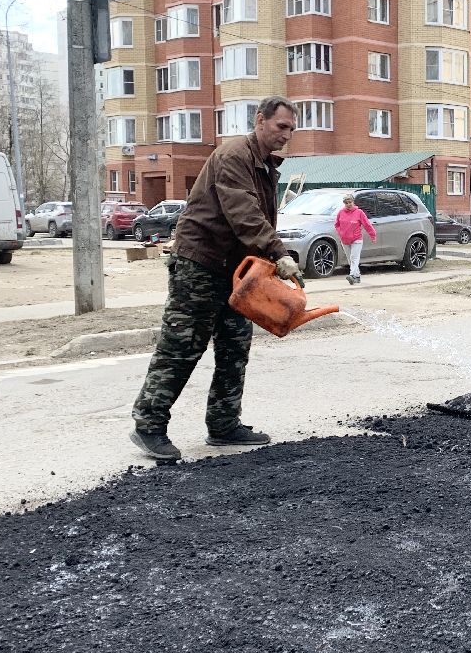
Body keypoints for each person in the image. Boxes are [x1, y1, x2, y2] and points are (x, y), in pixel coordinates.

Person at [129, 97, 302, 462]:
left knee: (234, 345)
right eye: (281, 126)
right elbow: (244, 214)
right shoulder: (234, 157)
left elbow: (255, 219)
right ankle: (148, 424)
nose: (287, 135)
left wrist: (268, 260)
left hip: (236, 271)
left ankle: (223, 424)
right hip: (200, 265)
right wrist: (279, 253)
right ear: (260, 121)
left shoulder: (265, 164)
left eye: (291, 129)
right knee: (182, 345)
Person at [335, 193, 377, 285]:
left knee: (354, 257)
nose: (348, 204)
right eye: (346, 203)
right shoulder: (341, 213)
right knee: (350, 259)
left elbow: (367, 225)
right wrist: (340, 233)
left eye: (350, 202)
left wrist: (373, 235)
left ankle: (352, 275)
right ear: (344, 204)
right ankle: (357, 276)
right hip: (345, 239)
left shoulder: (359, 213)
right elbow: (337, 224)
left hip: (356, 239)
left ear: (353, 202)